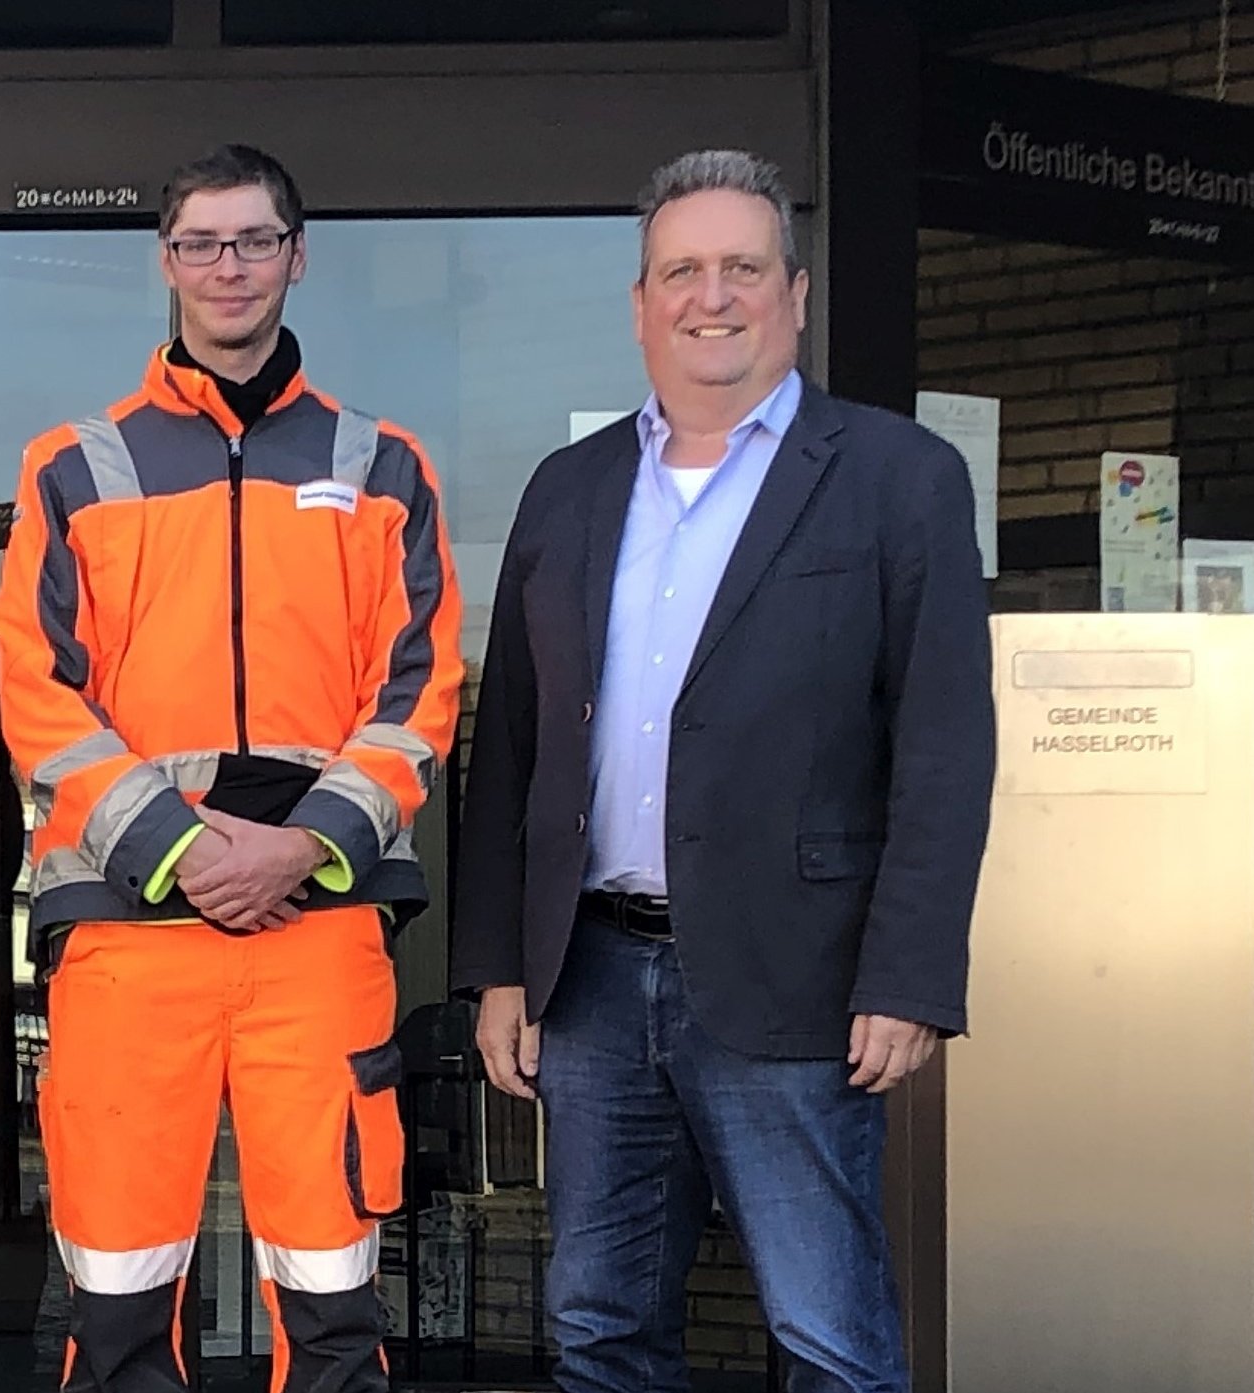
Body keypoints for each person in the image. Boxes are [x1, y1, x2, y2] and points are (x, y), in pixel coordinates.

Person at [452, 149, 995, 1393]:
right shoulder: (569, 489)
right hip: (588, 980)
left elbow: (944, 751)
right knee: (596, 1325)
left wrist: (909, 974)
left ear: (795, 295)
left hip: (798, 975)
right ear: (641, 305)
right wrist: (496, 967)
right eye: (682, 271)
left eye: (742, 268)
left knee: (828, 1338)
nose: (713, 295)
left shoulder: (897, 478)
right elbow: (516, 751)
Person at [0, 143, 465, 1391]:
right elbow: (40, 697)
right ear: (167, 264)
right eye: (203, 243)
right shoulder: (74, 467)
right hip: (131, 919)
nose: (229, 266)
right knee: (118, 1298)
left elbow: (420, 697)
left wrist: (300, 847)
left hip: (315, 926)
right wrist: (186, 850)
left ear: (297, 258)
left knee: (333, 1298)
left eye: (255, 240)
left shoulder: (384, 468)